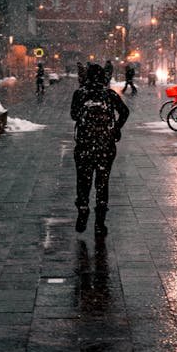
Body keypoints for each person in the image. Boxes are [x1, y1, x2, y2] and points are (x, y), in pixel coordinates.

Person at [70, 62, 129, 237]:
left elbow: (73, 115)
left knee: (83, 179)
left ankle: (82, 208)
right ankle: (100, 222)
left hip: (84, 145)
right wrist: (116, 128)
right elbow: (125, 112)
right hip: (105, 145)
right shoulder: (109, 94)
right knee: (102, 182)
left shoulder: (80, 94)